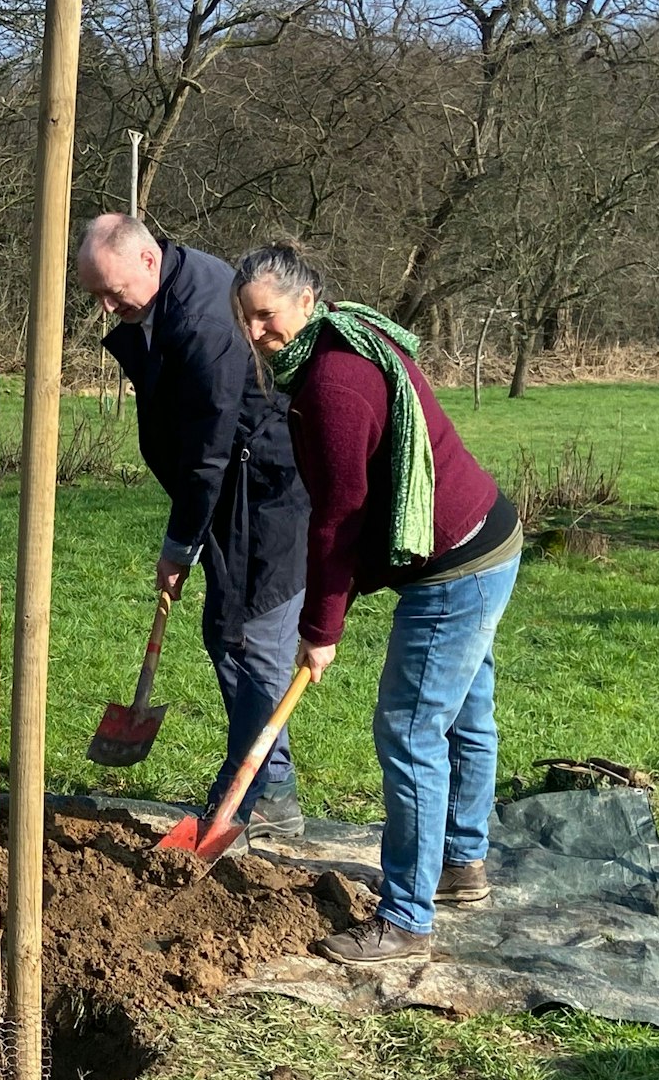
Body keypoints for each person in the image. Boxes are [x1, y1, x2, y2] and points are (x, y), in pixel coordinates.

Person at [232, 242, 522, 964]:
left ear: (306, 302)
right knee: (467, 712)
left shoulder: (332, 383)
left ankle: (405, 920)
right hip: (488, 536)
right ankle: (462, 862)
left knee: (411, 729)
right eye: (245, 317)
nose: (256, 331)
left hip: (453, 565)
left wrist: (320, 627)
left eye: (266, 315)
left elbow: (339, 516)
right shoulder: (345, 337)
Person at [75, 213, 309, 837]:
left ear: (148, 261)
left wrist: (181, 544)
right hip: (230, 492)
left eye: (111, 291)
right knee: (224, 636)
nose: (104, 307)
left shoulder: (206, 317)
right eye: (93, 294)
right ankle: (272, 784)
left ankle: (254, 795)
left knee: (253, 645)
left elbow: (209, 446)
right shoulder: (164, 298)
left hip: (267, 497)